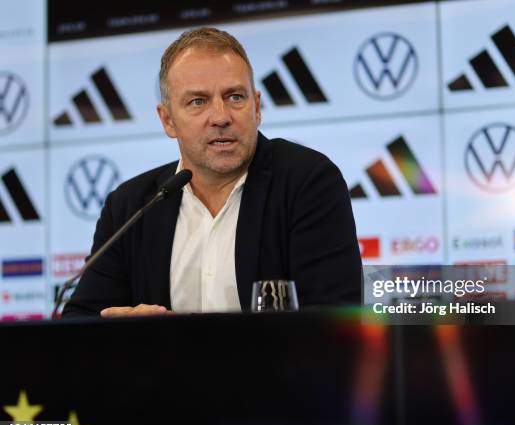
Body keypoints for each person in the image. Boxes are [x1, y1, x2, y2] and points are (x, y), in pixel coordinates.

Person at [61, 27, 362, 317]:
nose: (220, 116)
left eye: (234, 97)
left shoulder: (308, 183)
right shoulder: (131, 206)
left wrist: (175, 343)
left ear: (257, 107)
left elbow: (334, 320)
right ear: (167, 120)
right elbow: (80, 322)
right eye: (198, 101)